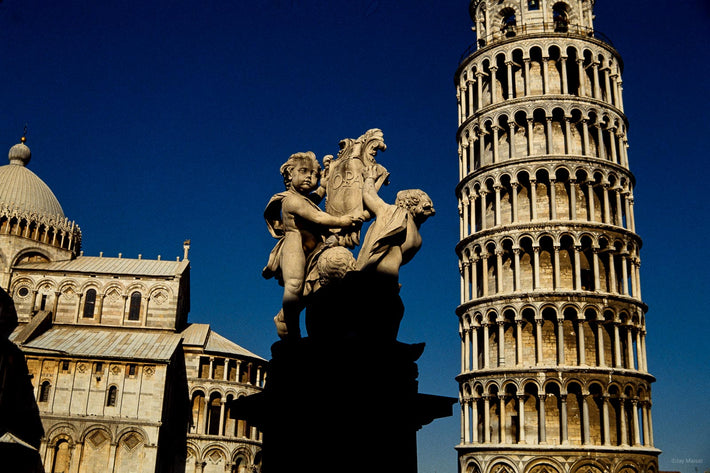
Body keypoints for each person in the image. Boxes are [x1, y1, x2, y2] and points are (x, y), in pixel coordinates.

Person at [263, 152, 363, 339]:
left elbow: (313, 201)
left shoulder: (305, 199)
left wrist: (324, 187)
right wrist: (343, 220)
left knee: (309, 289)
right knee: (294, 286)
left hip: (316, 248)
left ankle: (284, 317)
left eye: (314, 174)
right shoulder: (290, 200)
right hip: (295, 248)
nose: (310, 176)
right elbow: (317, 216)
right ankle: (293, 332)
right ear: (290, 175)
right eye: (304, 171)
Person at [356, 165, 435, 282]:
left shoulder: (395, 213)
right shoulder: (417, 239)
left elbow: (369, 196)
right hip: (390, 283)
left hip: (371, 278)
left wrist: (370, 178)